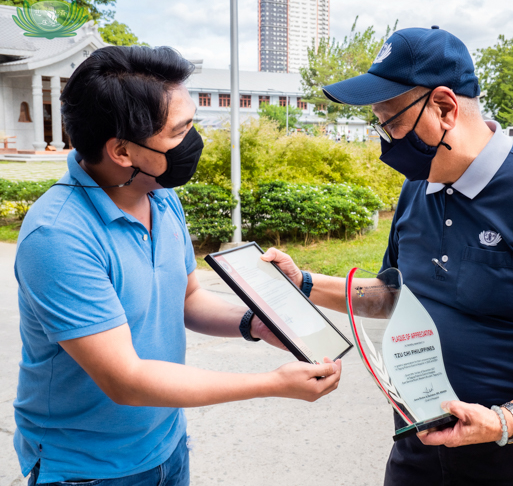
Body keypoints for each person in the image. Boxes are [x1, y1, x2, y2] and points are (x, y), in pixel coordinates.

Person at [262, 26, 513, 485]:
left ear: (444, 107)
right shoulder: (418, 186)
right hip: (420, 438)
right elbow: (394, 295)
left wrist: (506, 420)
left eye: (391, 121)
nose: (386, 140)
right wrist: (305, 284)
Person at [13, 45, 341, 485]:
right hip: (88, 468)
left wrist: (254, 323)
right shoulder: (58, 236)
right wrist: (272, 384)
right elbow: (125, 380)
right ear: (122, 151)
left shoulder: (159, 194)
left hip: (166, 444)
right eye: (180, 130)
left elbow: (187, 297)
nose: (193, 140)